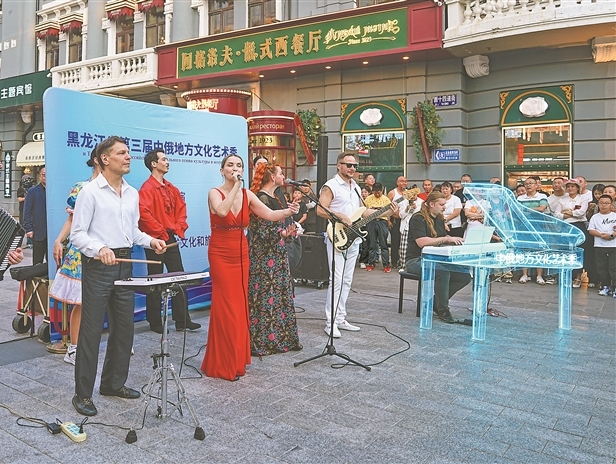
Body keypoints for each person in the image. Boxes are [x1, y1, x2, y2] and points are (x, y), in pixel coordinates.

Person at [70, 136, 167, 417]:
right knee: (91, 332)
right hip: (98, 266)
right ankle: (82, 394)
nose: (128, 157)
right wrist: (99, 248)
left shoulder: (132, 193)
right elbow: (77, 234)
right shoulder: (90, 192)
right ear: (104, 159)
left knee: (124, 329)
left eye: (128, 153)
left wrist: (151, 241)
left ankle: (113, 384)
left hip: (125, 265)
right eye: (122, 153)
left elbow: (132, 232)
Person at [201, 154, 298, 381]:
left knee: (239, 306)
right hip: (221, 253)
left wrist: (288, 212)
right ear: (222, 170)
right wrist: (236, 186)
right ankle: (222, 363)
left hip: (242, 254)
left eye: (239, 165)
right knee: (225, 306)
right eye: (230, 165)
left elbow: (269, 214)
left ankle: (236, 359)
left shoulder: (248, 195)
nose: (235, 169)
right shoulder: (215, 192)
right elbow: (222, 211)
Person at [317, 153, 397, 338]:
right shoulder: (331, 185)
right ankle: (330, 322)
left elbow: (363, 212)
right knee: (336, 280)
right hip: (337, 235)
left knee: (347, 280)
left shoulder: (355, 187)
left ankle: (340, 318)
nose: (353, 168)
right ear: (339, 165)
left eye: (355, 166)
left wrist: (386, 212)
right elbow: (320, 209)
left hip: (354, 237)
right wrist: (340, 216)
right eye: (348, 165)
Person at [138, 149, 200, 333]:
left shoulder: (171, 188)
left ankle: (182, 320)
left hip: (169, 238)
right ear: (153, 164)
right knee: (155, 280)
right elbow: (143, 215)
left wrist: (177, 226)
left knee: (179, 277)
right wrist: (160, 231)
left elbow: (181, 210)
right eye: (163, 159)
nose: (167, 162)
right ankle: (155, 321)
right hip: (154, 239)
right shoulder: (147, 189)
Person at [49, 149, 101, 365]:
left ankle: (119, 343)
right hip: (81, 253)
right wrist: (59, 240)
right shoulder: (81, 188)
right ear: (98, 160)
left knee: (111, 299)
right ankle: (74, 348)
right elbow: (72, 220)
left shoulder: (118, 189)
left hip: (107, 251)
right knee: (81, 302)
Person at [248, 163, 302, 356]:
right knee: (267, 297)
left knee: (277, 296)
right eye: (281, 173)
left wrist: (287, 232)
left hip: (276, 253)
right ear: (272, 176)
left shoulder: (273, 196)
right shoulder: (262, 198)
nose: (283, 176)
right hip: (265, 256)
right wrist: (283, 233)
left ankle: (279, 337)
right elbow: (263, 230)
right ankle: (266, 340)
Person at [405, 191, 471, 323]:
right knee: (442, 272)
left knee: (464, 275)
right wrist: (446, 239)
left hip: (435, 258)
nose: (444, 207)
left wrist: (454, 241)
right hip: (415, 260)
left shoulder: (440, 219)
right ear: (431, 204)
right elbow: (422, 242)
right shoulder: (418, 218)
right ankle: (443, 310)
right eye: (441, 205)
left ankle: (436, 303)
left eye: (444, 204)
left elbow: (440, 239)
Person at [551, 178, 591, 288]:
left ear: (578, 188)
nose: (570, 188)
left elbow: (581, 213)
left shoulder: (583, 198)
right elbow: (556, 214)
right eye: (568, 186)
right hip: (566, 227)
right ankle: (567, 276)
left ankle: (578, 276)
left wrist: (568, 212)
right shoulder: (562, 200)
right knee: (567, 251)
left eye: (573, 186)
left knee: (579, 250)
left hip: (579, 226)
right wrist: (570, 214)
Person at [517, 177, 549, 285]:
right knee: (524, 250)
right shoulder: (520, 198)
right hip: (524, 227)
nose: (528, 185)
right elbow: (517, 211)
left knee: (539, 251)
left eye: (531, 183)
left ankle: (539, 276)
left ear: (536, 185)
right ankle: (524, 274)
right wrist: (532, 210)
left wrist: (525, 210)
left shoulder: (542, 196)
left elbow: (541, 209)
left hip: (539, 227)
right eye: (526, 184)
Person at [588, 195, 616, 297]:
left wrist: (611, 235)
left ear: (611, 205)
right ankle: (605, 286)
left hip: (614, 245)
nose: (603, 205)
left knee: (613, 267)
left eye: (606, 203)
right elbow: (591, 230)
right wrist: (601, 235)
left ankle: (615, 287)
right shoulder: (595, 217)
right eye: (601, 203)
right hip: (599, 245)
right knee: (601, 267)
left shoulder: (614, 216)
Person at [364, 182, 392, 272]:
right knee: (372, 244)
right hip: (371, 221)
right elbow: (364, 210)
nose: (377, 194)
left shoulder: (386, 199)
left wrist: (388, 221)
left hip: (382, 221)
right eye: (375, 192)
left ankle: (386, 264)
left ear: (382, 190)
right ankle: (371, 263)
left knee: (383, 244)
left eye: (378, 192)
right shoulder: (368, 199)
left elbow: (389, 212)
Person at [23, 167, 47, 264]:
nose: (46, 177)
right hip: (38, 232)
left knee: (53, 263)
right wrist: (29, 229)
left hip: (52, 233)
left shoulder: (54, 191)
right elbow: (27, 211)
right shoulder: (32, 191)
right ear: (40, 176)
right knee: (37, 262)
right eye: (44, 174)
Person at [398, 190, 422, 269]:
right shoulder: (404, 202)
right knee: (403, 249)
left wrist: (415, 208)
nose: (412, 197)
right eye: (410, 195)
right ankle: (403, 266)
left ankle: (412, 266)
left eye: (414, 195)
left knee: (414, 248)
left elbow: (420, 214)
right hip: (406, 227)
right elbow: (401, 215)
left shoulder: (421, 202)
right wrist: (406, 209)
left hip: (416, 228)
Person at [388, 176, 408, 268]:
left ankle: (403, 260)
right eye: (402, 181)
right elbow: (387, 208)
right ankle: (394, 261)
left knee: (404, 242)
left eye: (405, 181)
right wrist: (388, 220)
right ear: (397, 183)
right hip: (395, 219)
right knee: (395, 241)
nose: (404, 183)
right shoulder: (392, 193)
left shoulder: (408, 193)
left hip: (405, 219)